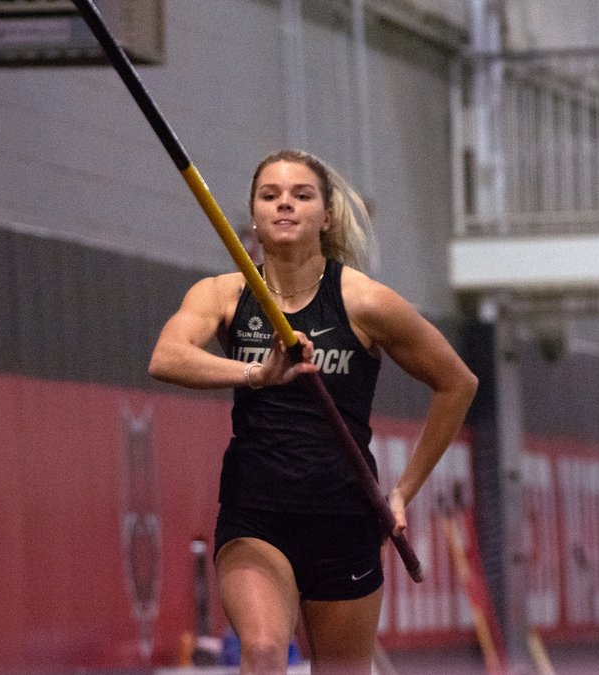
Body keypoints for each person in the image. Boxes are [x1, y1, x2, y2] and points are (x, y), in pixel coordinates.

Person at [149, 149, 478, 674]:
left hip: (344, 515)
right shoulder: (224, 294)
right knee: (261, 652)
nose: (285, 205)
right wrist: (256, 374)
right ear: (253, 214)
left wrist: (403, 492)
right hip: (256, 512)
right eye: (270, 195)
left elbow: (458, 383)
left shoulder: (364, 301)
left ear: (326, 216)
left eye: (301, 195)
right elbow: (166, 357)